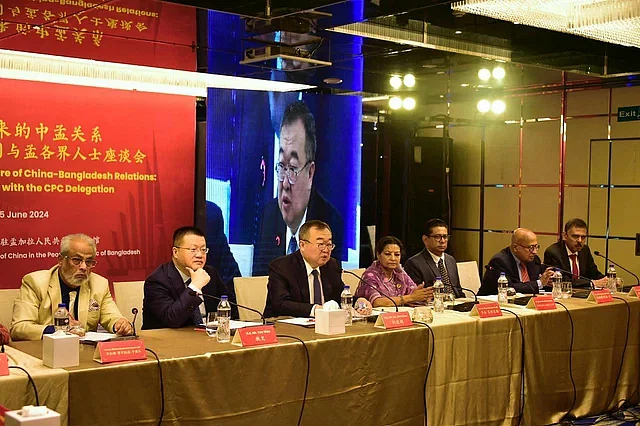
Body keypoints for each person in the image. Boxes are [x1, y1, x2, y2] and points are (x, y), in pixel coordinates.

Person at [253, 101, 345, 276]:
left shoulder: (330, 219)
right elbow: (257, 278)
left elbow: (330, 284)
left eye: (293, 169)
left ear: (310, 173)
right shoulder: (269, 214)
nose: (285, 183)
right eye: (281, 166)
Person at [10, 233, 132, 341]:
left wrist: (119, 324)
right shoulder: (35, 282)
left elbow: (112, 316)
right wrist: (58, 330)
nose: (84, 267)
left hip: (84, 354)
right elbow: (19, 328)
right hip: (43, 352)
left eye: (89, 262)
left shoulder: (100, 284)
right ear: (61, 260)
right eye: (77, 260)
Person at [263, 220, 369, 318]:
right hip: (283, 328)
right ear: (302, 245)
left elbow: (339, 294)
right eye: (321, 244)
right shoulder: (281, 267)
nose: (326, 250)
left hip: (324, 327)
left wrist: (358, 301)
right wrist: (317, 310)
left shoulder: (331, 265)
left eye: (329, 244)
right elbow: (281, 304)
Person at [143, 226, 238, 329]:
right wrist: (195, 286)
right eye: (193, 249)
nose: (199, 255)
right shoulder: (157, 281)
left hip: (208, 337)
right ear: (175, 252)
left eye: (203, 250)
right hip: (170, 341)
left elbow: (230, 307)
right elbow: (171, 319)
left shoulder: (210, 273)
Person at [355, 236, 430, 307]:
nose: (393, 258)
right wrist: (411, 297)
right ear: (378, 255)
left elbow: (413, 294)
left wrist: (423, 295)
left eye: (397, 254)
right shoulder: (370, 275)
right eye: (388, 254)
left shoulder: (399, 272)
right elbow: (377, 302)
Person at [479, 228, 555, 295]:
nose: (535, 252)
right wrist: (540, 283)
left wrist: (548, 281)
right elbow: (510, 289)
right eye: (531, 248)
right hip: (493, 305)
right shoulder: (499, 261)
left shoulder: (534, 260)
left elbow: (537, 285)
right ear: (515, 247)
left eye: (536, 247)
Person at [404, 219, 465, 298]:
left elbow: (458, 290)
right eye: (437, 237)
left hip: (455, 304)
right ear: (425, 239)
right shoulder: (414, 263)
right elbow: (416, 296)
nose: (442, 241)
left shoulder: (451, 260)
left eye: (445, 237)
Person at [543, 218, 607, 288]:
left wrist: (607, 280)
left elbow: (594, 273)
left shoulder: (585, 250)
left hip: (583, 294)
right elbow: (562, 281)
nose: (580, 240)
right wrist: (591, 283)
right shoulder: (553, 252)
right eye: (575, 236)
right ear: (565, 236)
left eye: (583, 237)